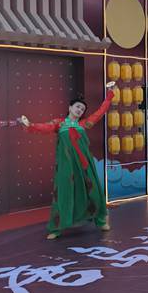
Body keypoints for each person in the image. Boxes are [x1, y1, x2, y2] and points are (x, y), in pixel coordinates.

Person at [22, 82, 116, 240]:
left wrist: (110, 95)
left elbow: (100, 112)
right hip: (67, 167)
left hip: (85, 165)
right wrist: (29, 125)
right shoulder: (59, 124)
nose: (80, 110)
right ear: (70, 107)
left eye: (82, 109)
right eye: (78, 107)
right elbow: (44, 127)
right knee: (64, 194)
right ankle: (56, 228)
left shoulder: (83, 124)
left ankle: (100, 221)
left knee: (93, 191)